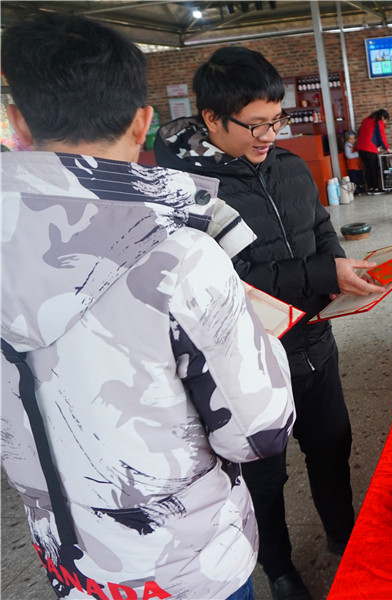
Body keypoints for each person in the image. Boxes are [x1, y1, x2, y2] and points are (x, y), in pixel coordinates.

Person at [1, 15, 295, 600]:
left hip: (70, 560)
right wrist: (257, 340)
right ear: (142, 122)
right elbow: (259, 431)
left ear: (18, 122)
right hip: (186, 565)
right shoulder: (181, 255)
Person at [154, 47, 386, 600]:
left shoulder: (287, 166)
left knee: (331, 445)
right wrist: (320, 271)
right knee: (262, 474)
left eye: (276, 120)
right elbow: (229, 281)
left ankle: (343, 536)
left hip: (314, 341)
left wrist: (337, 268)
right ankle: (279, 568)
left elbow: (320, 225)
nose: (269, 135)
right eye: (255, 124)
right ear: (213, 119)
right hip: (245, 362)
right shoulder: (188, 191)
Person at [357, 108, 390, 194]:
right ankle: (376, 188)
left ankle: (370, 188)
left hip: (361, 148)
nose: (385, 123)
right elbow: (381, 135)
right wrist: (386, 148)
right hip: (369, 148)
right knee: (374, 169)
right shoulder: (378, 121)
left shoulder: (366, 120)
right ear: (383, 117)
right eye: (386, 120)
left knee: (368, 169)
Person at [343, 130, 365, 194]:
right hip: (352, 166)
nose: (353, 140)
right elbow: (349, 155)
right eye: (350, 138)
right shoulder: (347, 146)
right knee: (354, 179)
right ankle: (355, 190)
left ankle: (359, 188)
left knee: (359, 178)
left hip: (357, 166)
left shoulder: (354, 146)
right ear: (347, 139)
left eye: (354, 138)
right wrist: (358, 154)